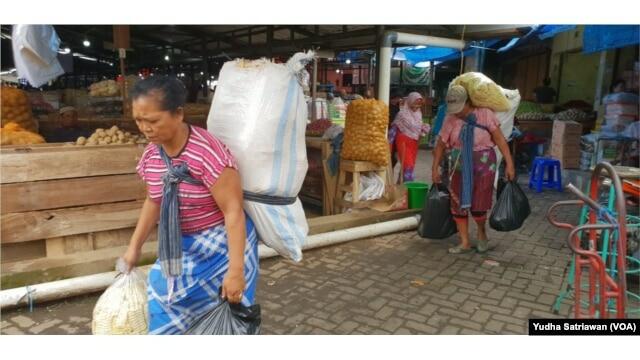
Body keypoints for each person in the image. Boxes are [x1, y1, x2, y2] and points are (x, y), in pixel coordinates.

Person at [121, 76, 259, 334]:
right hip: (180, 247)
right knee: (163, 307)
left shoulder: (208, 153)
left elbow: (233, 212)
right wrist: (134, 248)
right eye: (138, 120)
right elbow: (153, 201)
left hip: (221, 248)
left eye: (152, 120)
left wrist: (236, 271)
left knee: (224, 325)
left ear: (178, 114)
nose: (145, 128)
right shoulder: (152, 155)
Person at [432, 85, 515, 254]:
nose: (458, 112)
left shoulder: (485, 114)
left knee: (479, 205)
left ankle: (482, 234)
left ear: (469, 102)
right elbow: (440, 145)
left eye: (460, 108)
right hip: (458, 165)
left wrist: (510, 164)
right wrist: (435, 169)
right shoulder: (450, 119)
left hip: (483, 165)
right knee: (457, 203)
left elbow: (500, 140)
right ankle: (464, 242)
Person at [389, 92, 431, 182]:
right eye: (415, 102)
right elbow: (393, 129)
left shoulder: (418, 114)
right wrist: (388, 147)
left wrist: (423, 128)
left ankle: (401, 187)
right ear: (410, 101)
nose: (417, 105)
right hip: (403, 142)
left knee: (410, 165)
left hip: (414, 143)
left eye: (419, 103)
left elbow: (417, 128)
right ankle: (409, 189)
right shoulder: (402, 114)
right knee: (408, 166)